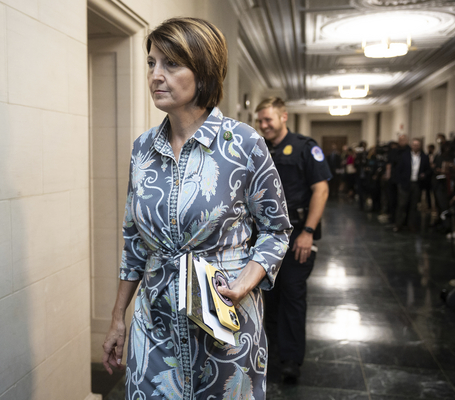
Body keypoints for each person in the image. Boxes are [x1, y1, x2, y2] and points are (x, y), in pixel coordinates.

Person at [101, 18, 292, 399]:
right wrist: (117, 318)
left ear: (203, 71)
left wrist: (243, 284)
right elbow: (134, 241)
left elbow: (276, 229)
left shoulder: (242, 144)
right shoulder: (142, 148)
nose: (156, 75)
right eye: (152, 63)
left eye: (171, 64)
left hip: (224, 324)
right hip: (153, 322)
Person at [255, 97, 331, 383]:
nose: (264, 126)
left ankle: (290, 360)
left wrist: (308, 232)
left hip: (298, 233)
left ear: (283, 117)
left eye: (268, 120)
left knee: (292, 294)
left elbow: (321, 190)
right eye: (260, 121)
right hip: (264, 236)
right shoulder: (258, 148)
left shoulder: (305, 147)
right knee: (268, 297)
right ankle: (271, 354)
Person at [393, 138, 431, 232]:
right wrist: (400, 182)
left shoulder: (424, 157)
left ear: (420, 146)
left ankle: (411, 225)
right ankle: (399, 224)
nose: (415, 146)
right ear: (411, 146)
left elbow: (428, 170)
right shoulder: (404, 156)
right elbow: (398, 169)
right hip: (405, 183)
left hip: (417, 183)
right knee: (402, 204)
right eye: (414, 145)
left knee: (414, 206)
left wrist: (424, 175)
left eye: (417, 145)